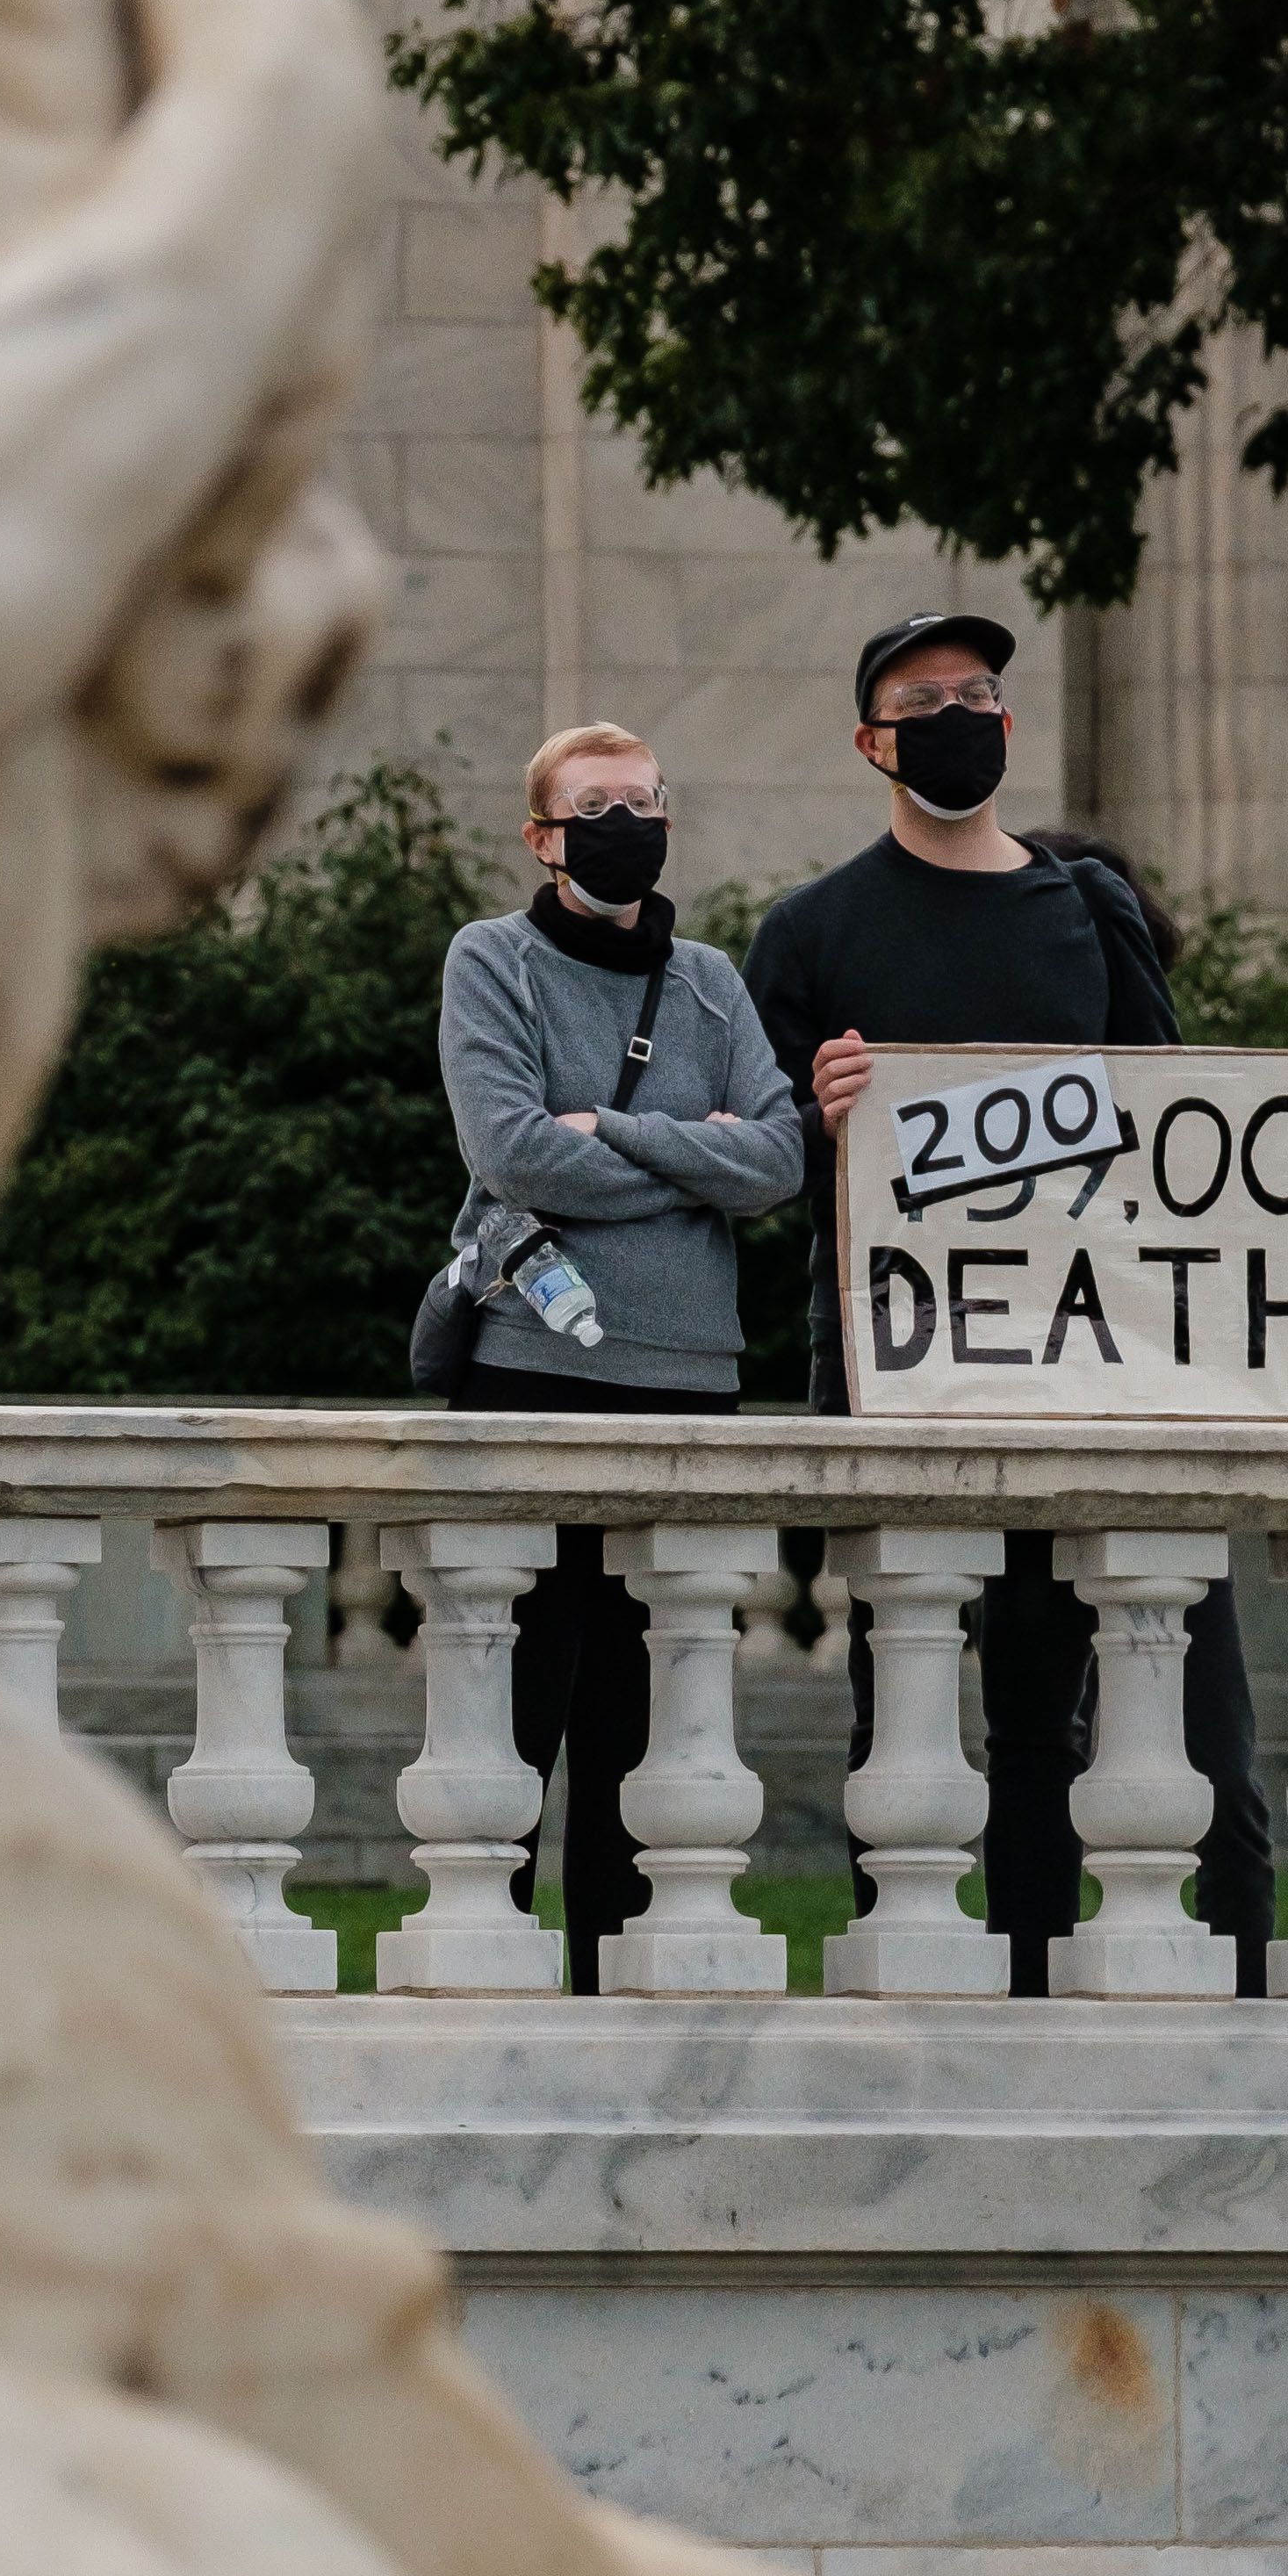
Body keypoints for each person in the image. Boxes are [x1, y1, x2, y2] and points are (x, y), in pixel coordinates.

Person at [741, 614, 1288, 1998]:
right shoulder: (809, 932)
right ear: (868, 742)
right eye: (924, 697)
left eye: (980, 691)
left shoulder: (1087, 910)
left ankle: (1242, 1989)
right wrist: (822, 1122)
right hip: (915, 1391)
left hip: (1116, 1371)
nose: (960, 712)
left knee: (1201, 1724)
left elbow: (1192, 1137)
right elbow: (758, 1160)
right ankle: (1004, 1996)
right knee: (971, 1718)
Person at [432, 724, 806, 1991]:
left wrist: (615, 1131)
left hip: (688, 1378)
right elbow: (514, 1154)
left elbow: (778, 1156)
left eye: (643, 800)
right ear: (541, 835)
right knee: (512, 1712)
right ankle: (495, 1998)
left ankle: (620, 2002)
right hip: (530, 1368)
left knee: (645, 1735)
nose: (623, 822)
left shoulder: (706, 978)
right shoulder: (492, 961)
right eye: (594, 804)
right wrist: (683, 1155)